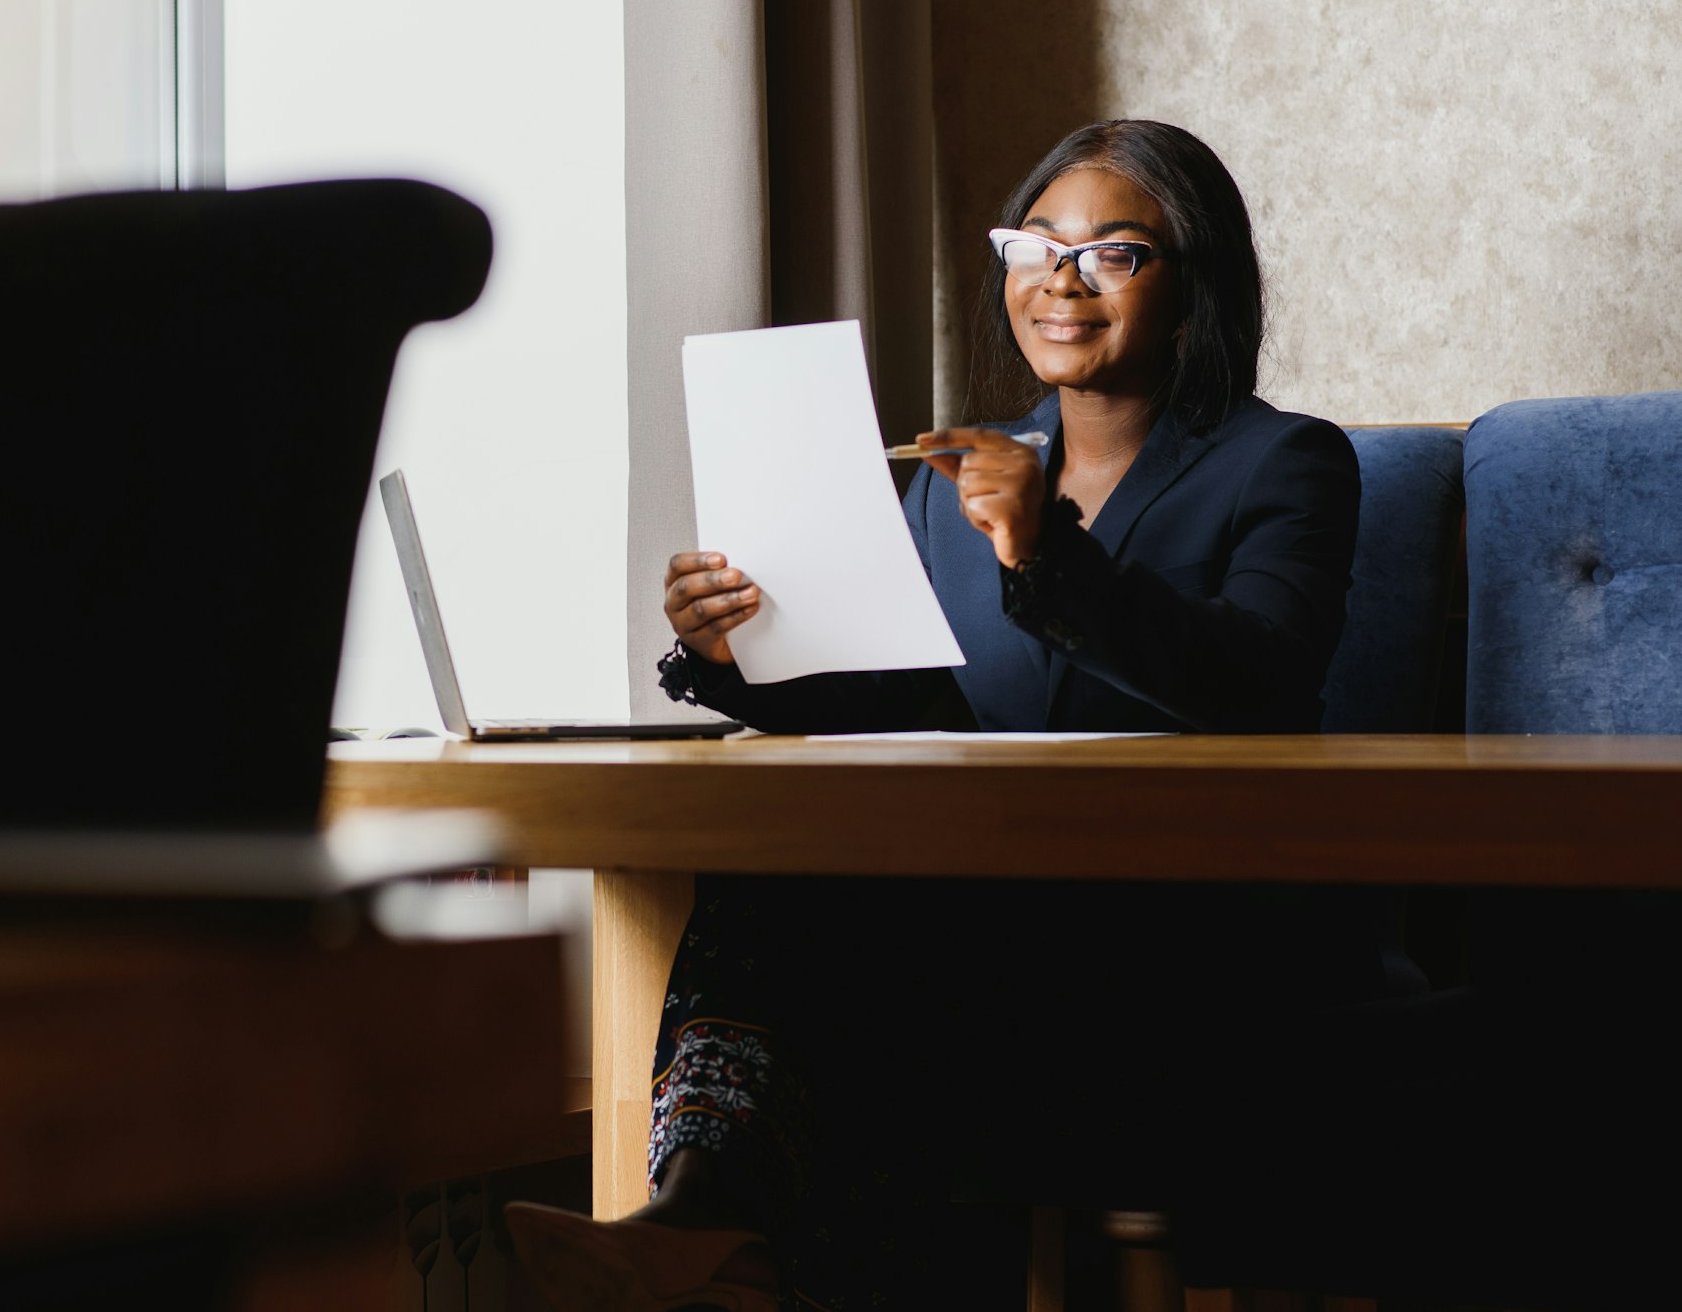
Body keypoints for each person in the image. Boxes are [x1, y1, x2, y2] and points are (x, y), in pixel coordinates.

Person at [507, 119, 1385, 1311]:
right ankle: (699, 1219)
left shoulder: (1284, 463)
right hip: (972, 896)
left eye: (1112, 255)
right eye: (1033, 245)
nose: (1058, 280)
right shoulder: (954, 475)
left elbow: (1260, 682)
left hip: (1176, 919)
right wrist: (733, 653)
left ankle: (708, 1236)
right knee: (782, 870)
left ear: (1192, 287)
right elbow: (919, 703)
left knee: (853, 947)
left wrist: (1047, 552)